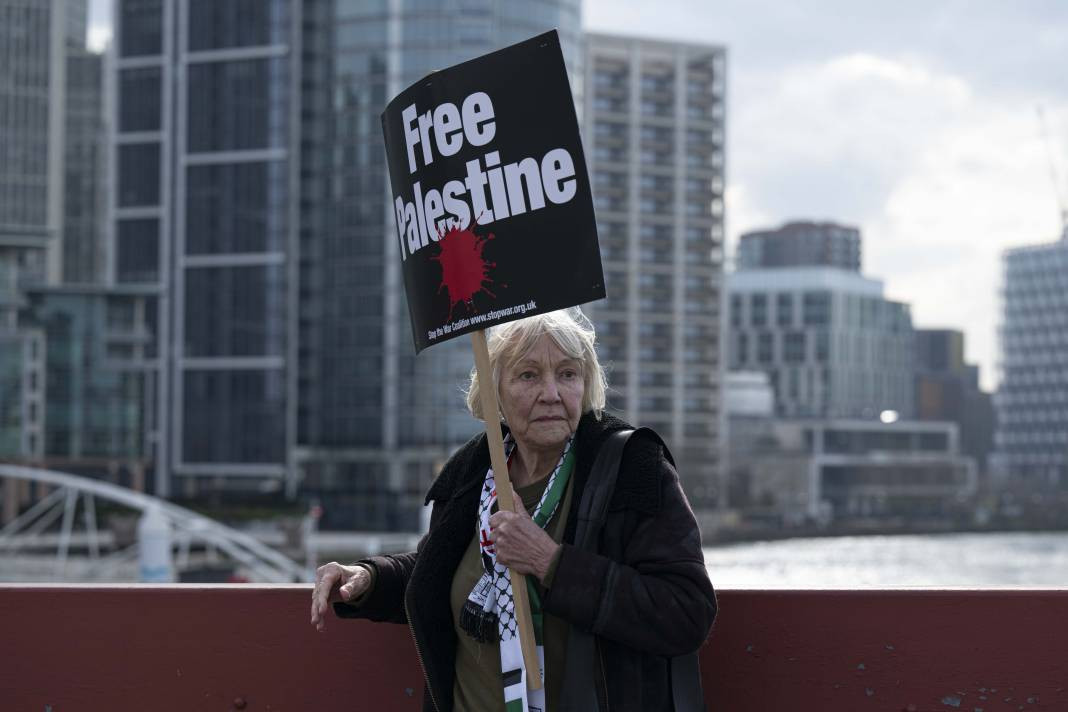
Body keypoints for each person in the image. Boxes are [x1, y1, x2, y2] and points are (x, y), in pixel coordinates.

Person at [310, 308, 716, 711]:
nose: (552, 393)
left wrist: (550, 562)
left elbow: (687, 610)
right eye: (528, 375)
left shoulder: (632, 468)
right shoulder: (473, 472)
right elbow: (443, 572)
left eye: (568, 374)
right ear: (494, 391)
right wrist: (368, 578)